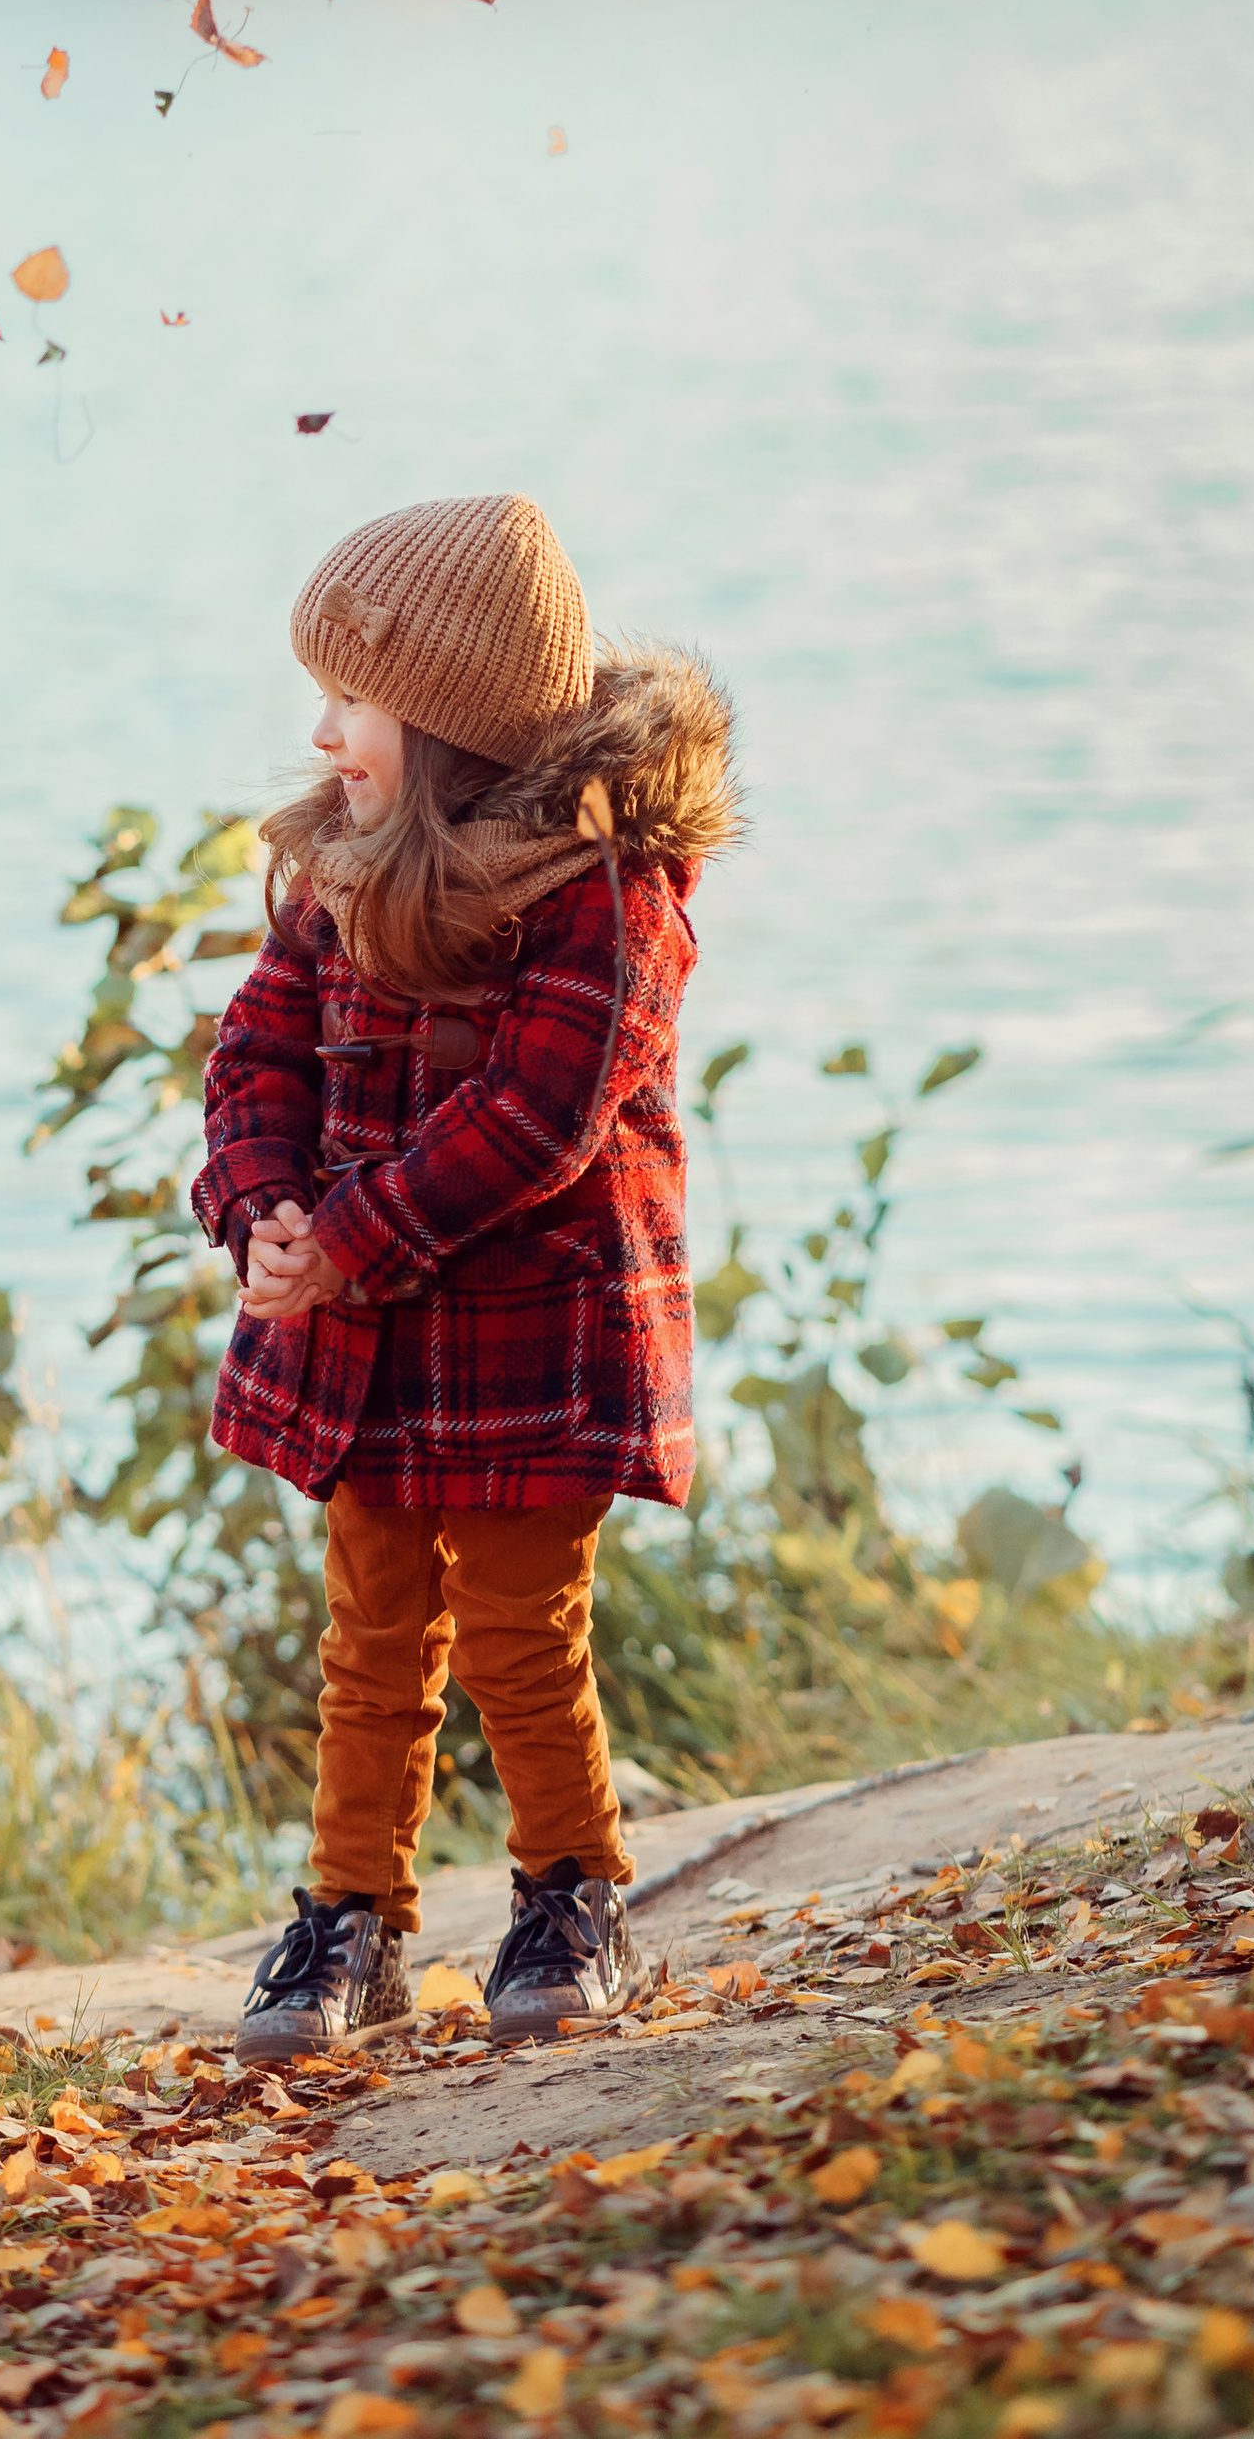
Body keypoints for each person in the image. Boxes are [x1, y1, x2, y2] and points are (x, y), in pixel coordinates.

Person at [190, 494, 738, 2058]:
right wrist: (265, 1212)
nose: (319, 736)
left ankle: (574, 1892)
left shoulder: (608, 898)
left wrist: (345, 1244)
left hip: (530, 1344)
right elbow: (259, 1053)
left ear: (444, 723)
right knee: (369, 1640)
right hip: (364, 1351)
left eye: (349, 703)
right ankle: (348, 1915)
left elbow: (534, 1121)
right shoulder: (345, 874)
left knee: (517, 1631)